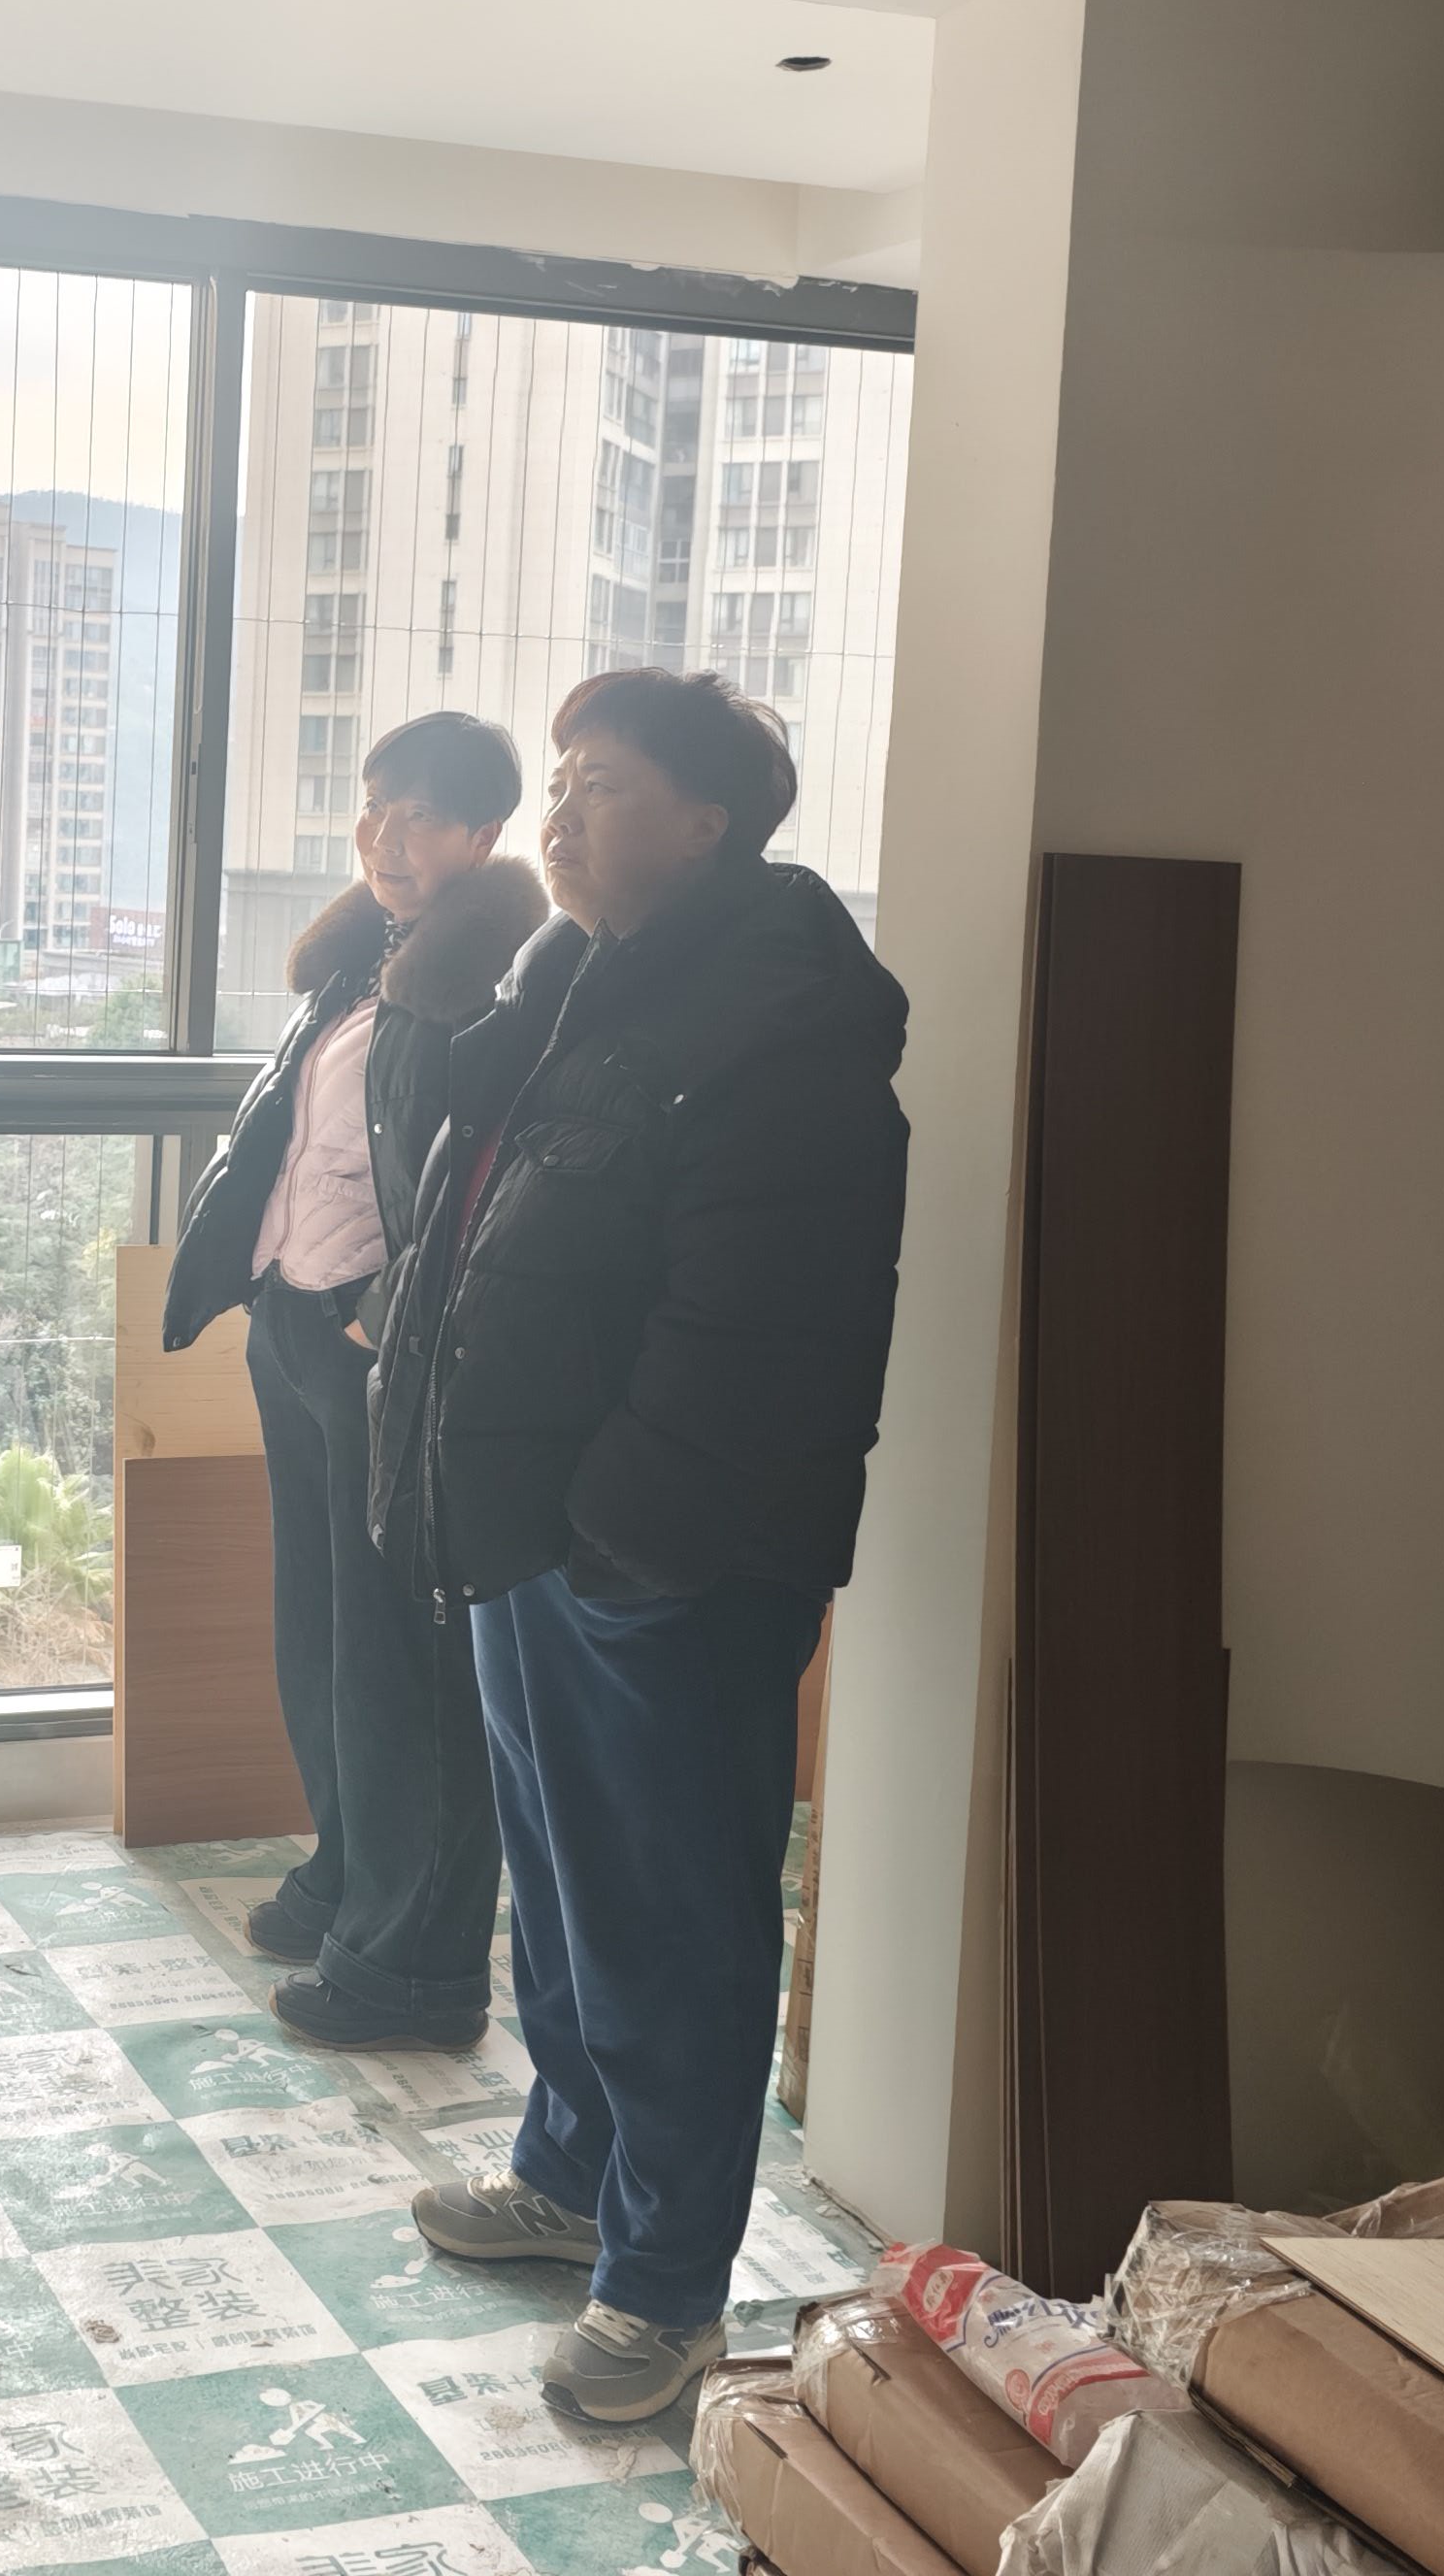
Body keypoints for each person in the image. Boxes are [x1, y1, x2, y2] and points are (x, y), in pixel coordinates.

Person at [370, 667, 907, 2427]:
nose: (562, 815)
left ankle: (668, 2280)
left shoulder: (778, 1026)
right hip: (540, 1526)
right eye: (560, 783)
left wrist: (616, 1529)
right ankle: (571, 2169)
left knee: (672, 1914)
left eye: (601, 783)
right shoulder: (575, 984)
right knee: (564, 1881)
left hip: (665, 1555)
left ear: (708, 818)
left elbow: (752, 1333)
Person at [162, 712, 546, 2049]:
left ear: (486, 834)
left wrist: (381, 1322)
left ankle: (416, 1968)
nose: (389, 835)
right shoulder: (363, 964)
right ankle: (350, 1873)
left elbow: (487, 1191)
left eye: (425, 815)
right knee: (322, 1631)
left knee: (404, 1659)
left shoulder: (487, 985)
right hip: (298, 1324)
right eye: (377, 808)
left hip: (383, 1349)